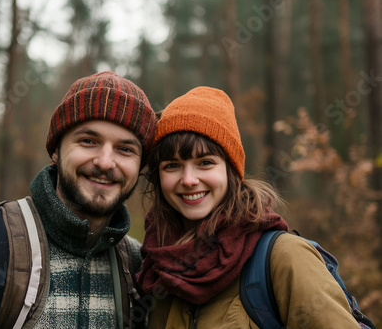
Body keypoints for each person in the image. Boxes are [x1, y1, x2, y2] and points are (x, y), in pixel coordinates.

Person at [0, 71, 157, 328]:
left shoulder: (138, 266)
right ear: (56, 151)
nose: (104, 162)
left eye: (125, 149)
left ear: (140, 165)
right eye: (88, 141)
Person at [136, 87, 360, 328]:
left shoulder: (284, 258)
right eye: (172, 165)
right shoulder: (157, 268)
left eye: (205, 163)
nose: (189, 179)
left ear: (231, 170)